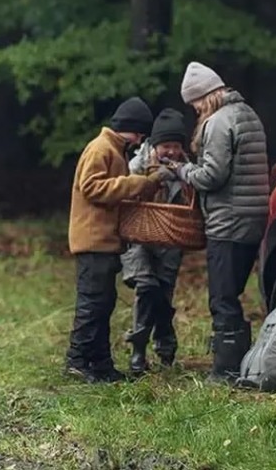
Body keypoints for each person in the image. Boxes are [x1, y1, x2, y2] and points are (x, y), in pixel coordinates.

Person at [168, 62, 270, 383]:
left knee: (222, 298)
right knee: (234, 294)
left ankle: (226, 371)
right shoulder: (248, 114)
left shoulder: (219, 122)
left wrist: (182, 171)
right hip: (254, 217)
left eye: (195, 102)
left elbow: (212, 175)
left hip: (227, 221)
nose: (195, 109)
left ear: (206, 96)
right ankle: (241, 364)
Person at [66, 97, 172, 383]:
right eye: (139, 133)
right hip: (93, 241)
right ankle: (77, 360)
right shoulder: (101, 149)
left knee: (104, 304)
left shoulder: (116, 150)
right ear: (129, 128)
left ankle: (101, 365)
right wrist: (140, 183)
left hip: (106, 241)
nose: (140, 140)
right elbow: (92, 187)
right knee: (92, 305)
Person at [120, 108, 192, 375]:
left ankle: (163, 347)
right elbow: (126, 191)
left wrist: (184, 177)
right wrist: (151, 178)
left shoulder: (187, 170)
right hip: (138, 238)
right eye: (165, 146)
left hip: (171, 240)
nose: (171, 152)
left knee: (162, 293)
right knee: (146, 287)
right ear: (154, 145)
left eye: (175, 146)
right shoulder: (136, 165)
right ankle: (140, 349)